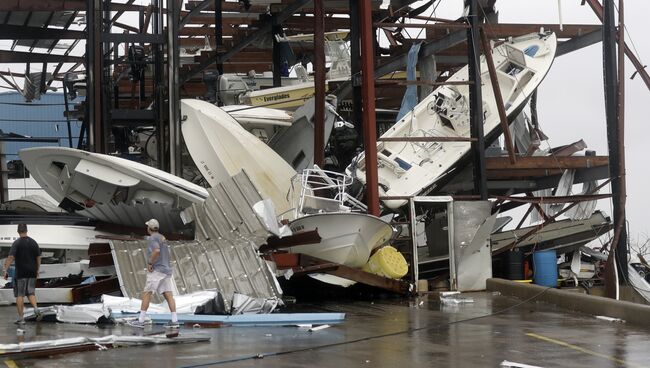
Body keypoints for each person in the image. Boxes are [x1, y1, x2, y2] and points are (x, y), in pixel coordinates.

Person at [128, 219, 179, 328]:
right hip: (166, 270)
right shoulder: (162, 237)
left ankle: (141, 320)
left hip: (157, 270)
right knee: (168, 294)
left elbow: (156, 250)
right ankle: (175, 321)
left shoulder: (153, 238)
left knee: (147, 293)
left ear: (149, 228)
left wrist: (150, 263)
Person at [3, 224, 42, 324]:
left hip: (21, 272)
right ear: (26, 230)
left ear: (18, 231)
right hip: (32, 272)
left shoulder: (17, 243)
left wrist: (5, 270)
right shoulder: (34, 242)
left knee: (20, 295)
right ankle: (36, 309)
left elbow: (11, 257)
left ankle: (21, 319)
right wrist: (37, 270)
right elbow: (38, 257)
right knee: (31, 292)